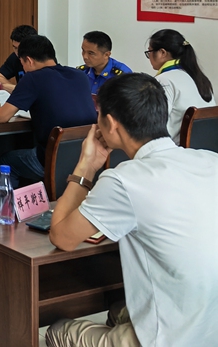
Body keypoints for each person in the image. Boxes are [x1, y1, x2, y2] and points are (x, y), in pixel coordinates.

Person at [46, 73, 218, 347]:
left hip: (175, 338)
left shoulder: (125, 179)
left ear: (110, 123)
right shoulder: (210, 160)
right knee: (117, 311)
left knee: (58, 330)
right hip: (210, 324)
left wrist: (86, 165)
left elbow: (62, 237)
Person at [0, 35, 96, 185]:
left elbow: (2, 117)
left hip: (51, 159)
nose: (24, 69)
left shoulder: (32, 78)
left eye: (22, 63)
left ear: (29, 60)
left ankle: (8, 207)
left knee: (6, 162)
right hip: (87, 157)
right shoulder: (79, 75)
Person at [145, 29, 214, 144]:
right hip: (206, 151)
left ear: (162, 53)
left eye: (149, 52)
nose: (149, 57)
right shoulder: (200, 78)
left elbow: (154, 127)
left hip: (176, 153)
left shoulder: (164, 80)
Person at [76, 31, 131, 95]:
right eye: (83, 51)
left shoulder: (122, 76)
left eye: (90, 53)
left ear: (106, 55)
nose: (85, 56)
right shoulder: (82, 72)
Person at [0, 24, 37, 92]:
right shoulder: (15, 57)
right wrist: (18, 89)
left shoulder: (43, 59)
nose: (18, 52)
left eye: (21, 48)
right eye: (15, 48)